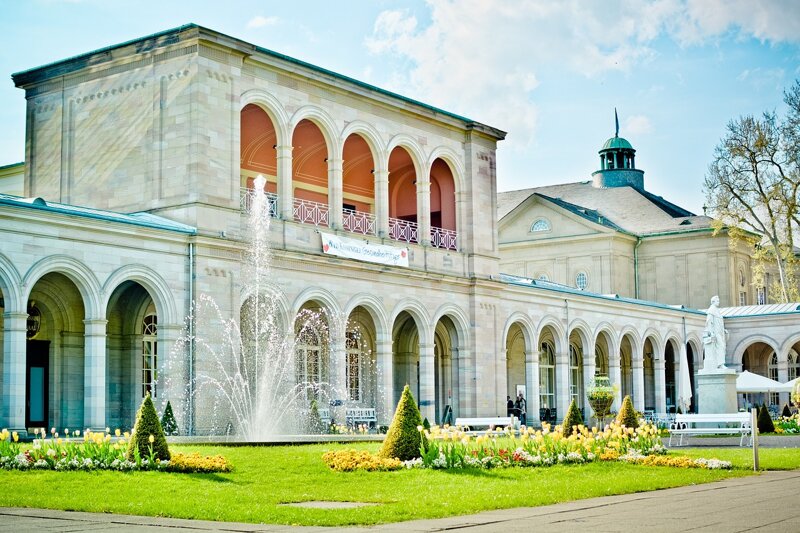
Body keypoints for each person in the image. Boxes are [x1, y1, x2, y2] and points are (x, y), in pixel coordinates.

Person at [702, 295, 728, 371]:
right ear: (713, 302)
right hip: (716, 333)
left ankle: (720, 364)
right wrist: (711, 332)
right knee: (721, 347)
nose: (719, 302)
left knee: (722, 347)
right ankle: (720, 364)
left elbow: (718, 322)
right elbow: (709, 322)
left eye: (718, 301)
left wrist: (723, 330)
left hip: (720, 332)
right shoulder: (711, 310)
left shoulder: (716, 310)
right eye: (717, 301)